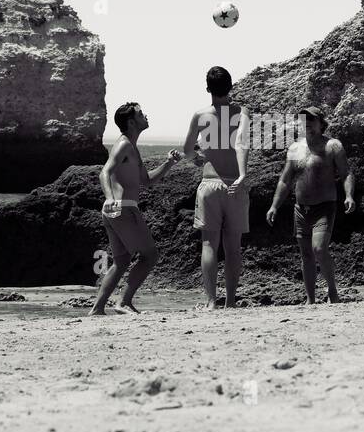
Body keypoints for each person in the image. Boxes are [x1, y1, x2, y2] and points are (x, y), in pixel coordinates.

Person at [92, 102, 181, 315]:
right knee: (150, 255)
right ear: (132, 122)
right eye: (141, 114)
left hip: (114, 210)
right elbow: (104, 173)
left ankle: (97, 309)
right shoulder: (123, 145)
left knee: (122, 260)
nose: (146, 116)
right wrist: (110, 197)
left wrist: (168, 163)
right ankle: (123, 303)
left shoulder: (131, 147)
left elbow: (147, 180)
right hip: (122, 208)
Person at [266, 106, 356, 303]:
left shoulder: (333, 146)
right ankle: (310, 299)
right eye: (303, 121)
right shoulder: (295, 148)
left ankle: (333, 293)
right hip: (300, 209)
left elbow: (346, 173)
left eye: (311, 121)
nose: (307, 125)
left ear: (321, 124)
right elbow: (285, 180)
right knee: (306, 254)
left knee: (319, 248)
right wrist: (274, 206)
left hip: (324, 207)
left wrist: (349, 195)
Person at [182, 65, 249, 310]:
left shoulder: (200, 116)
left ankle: (211, 302)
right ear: (230, 86)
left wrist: (198, 157)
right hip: (234, 184)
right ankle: (230, 301)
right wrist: (242, 174)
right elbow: (241, 143)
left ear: (208, 88)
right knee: (233, 247)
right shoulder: (241, 112)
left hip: (209, 184)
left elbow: (187, 151)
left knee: (209, 245)